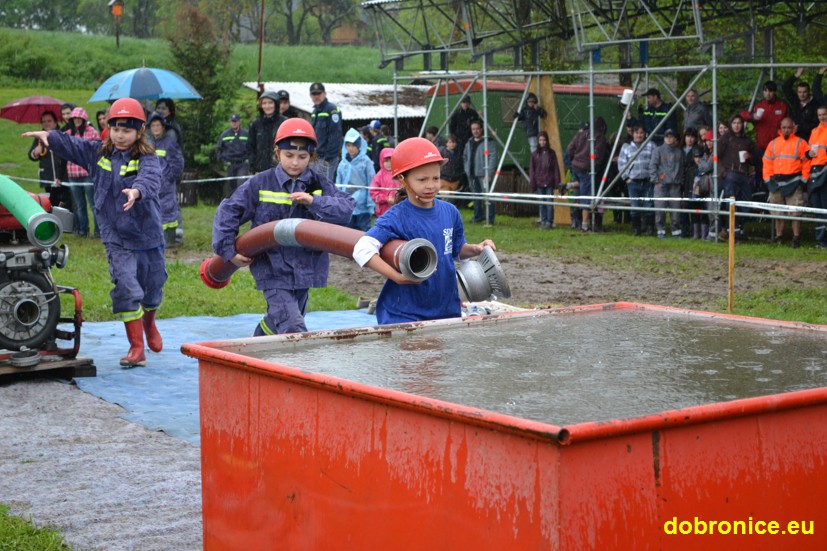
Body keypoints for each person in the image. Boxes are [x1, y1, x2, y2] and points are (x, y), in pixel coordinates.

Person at [23, 97, 167, 368]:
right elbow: (72, 144)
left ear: (139, 132)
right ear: (109, 128)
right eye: (116, 129)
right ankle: (136, 348)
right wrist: (49, 137)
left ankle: (149, 324)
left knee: (153, 287)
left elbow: (151, 178)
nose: (120, 135)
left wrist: (137, 191)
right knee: (126, 286)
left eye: (127, 130)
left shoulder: (147, 157)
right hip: (115, 234)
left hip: (146, 234)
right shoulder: (98, 152)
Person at [212, 118, 355, 336]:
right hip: (272, 268)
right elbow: (229, 211)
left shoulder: (318, 184)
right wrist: (229, 252)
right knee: (292, 326)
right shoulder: (261, 183)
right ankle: (298, 366)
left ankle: (255, 350)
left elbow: (346, 209)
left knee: (279, 319)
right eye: (289, 155)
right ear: (277, 153)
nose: (295, 163)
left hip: (306, 268)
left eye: (302, 157)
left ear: (311, 157)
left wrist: (313, 201)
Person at [352, 137, 497, 325]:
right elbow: (362, 249)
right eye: (422, 179)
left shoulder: (450, 212)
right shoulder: (396, 216)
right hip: (405, 314)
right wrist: (398, 278)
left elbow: (455, 251)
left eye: (436, 178)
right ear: (403, 180)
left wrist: (477, 249)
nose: (431, 185)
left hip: (446, 309)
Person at [763, 117, 811, 248]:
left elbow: (807, 162)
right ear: (780, 128)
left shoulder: (801, 143)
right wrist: (768, 180)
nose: (786, 130)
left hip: (794, 181)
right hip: (776, 182)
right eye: (784, 128)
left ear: (793, 128)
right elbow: (766, 163)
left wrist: (803, 180)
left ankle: (796, 238)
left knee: (795, 211)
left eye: (789, 128)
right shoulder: (773, 143)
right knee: (777, 211)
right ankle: (779, 237)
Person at [713, 113, 760, 242]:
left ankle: (736, 230)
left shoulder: (747, 141)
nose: (737, 126)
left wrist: (749, 157)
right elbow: (716, 158)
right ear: (730, 124)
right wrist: (724, 173)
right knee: (731, 205)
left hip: (744, 176)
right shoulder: (725, 139)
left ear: (742, 125)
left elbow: (757, 160)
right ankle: (730, 232)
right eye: (734, 123)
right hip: (730, 175)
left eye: (739, 123)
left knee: (745, 206)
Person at [147, 113, 184, 248]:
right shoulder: (150, 144)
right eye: (153, 126)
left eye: (158, 126)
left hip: (166, 186)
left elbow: (178, 163)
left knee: (168, 212)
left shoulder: (169, 142)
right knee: (155, 212)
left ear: (163, 127)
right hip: (153, 185)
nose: (156, 128)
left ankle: (170, 239)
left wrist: (168, 179)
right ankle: (159, 239)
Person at [566, 117, 608, 232]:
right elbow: (598, 156)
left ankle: (569, 185)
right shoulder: (600, 137)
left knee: (578, 193)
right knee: (586, 197)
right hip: (587, 169)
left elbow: (569, 148)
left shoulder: (581, 134)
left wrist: (573, 161)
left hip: (576, 166)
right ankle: (585, 225)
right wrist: (594, 168)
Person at [66, 107, 101, 238]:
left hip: (88, 173)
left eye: (79, 118)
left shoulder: (92, 132)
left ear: (84, 119)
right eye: (74, 118)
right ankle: (82, 230)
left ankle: (98, 232)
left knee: (93, 204)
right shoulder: (68, 133)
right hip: (72, 173)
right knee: (79, 205)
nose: (77, 120)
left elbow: (98, 151)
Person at [618, 124, 657, 236]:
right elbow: (621, 164)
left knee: (648, 205)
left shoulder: (651, 145)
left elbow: (655, 162)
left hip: (647, 181)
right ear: (633, 134)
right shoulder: (626, 147)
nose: (639, 135)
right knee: (635, 205)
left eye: (641, 133)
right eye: (637, 133)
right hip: (633, 182)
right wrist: (626, 178)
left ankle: (650, 228)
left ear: (644, 134)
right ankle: (636, 228)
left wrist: (653, 178)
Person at [28, 110, 70, 210]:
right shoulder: (39, 137)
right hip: (48, 177)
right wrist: (35, 152)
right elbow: (31, 155)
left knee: (66, 204)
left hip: (63, 177)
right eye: (44, 121)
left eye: (49, 121)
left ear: (55, 122)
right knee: (51, 205)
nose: (46, 123)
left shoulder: (62, 133)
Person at [336, 128, 376, 231]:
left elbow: (372, 182)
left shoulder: (365, 162)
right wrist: (338, 200)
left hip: (362, 204)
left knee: (363, 231)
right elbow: (339, 183)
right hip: (347, 204)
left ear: (359, 146)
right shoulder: (343, 163)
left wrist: (370, 202)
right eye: (348, 145)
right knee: (348, 232)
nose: (351, 149)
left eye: (353, 145)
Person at [649, 128, 684, 239]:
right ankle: (661, 231)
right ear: (664, 138)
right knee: (660, 210)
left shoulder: (679, 152)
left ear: (674, 138)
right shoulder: (657, 150)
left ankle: (676, 231)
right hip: (661, 185)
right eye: (667, 136)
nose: (669, 139)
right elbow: (652, 166)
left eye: (671, 136)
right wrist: (656, 180)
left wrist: (680, 180)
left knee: (675, 211)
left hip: (675, 185)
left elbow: (682, 168)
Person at [463, 119, 498, 225]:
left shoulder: (488, 142)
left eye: (477, 129)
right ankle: (477, 217)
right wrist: (466, 169)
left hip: (483, 175)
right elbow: (465, 157)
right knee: (475, 197)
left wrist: (489, 173)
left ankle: (490, 219)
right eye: (473, 129)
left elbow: (493, 157)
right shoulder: (469, 142)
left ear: (481, 129)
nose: (475, 131)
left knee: (488, 197)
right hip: (472, 175)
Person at [309, 82, 343, 181]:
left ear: (324, 94)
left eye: (318, 94)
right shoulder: (315, 112)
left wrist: (328, 157)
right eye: (314, 94)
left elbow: (335, 135)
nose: (316, 97)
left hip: (326, 158)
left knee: (325, 187)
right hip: (316, 157)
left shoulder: (332, 110)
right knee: (314, 186)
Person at [742, 80, 788, 153]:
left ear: (775, 92)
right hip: (761, 146)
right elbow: (742, 114)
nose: (768, 94)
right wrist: (752, 116)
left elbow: (789, 122)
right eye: (765, 91)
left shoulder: (782, 105)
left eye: (770, 91)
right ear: (763, 92)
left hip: (778, 146)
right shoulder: (758, 105)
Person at [248, 91, 287, 174]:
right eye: (264, 103)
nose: (267, 106)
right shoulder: (256, 124)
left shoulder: (284, 122)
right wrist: (252, 166)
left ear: (276, 104)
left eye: (270, 103)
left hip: (280, 169)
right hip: (260, 169)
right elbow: (250, 147)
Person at [529, 131, 561, 229]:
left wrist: (557, 181)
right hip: (539, 182)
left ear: (547, 141)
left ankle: (549, 222)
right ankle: (543, 221)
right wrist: (533, 182)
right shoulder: (535, 154)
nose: (542, 142)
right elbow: (532, 170)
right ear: (538, 141)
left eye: (544, 140)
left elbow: (556, 168)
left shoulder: (552, 153)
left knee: (549, 203)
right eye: (540, 140)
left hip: (549, 182)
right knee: (542, 203)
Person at [215, 113, 249, 196]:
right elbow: (218, 149)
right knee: (231, 185)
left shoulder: (246, 134)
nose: (234, 123)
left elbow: (251, 148)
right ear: (230, 122)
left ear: (239, 122)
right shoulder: (224, 135)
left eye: (236, 121)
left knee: (241, 184)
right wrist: (222, 161)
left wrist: (249, 160)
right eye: (232, 121)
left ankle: (241, 203)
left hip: (242, 163)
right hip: (230, 164)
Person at [681, 127, 706, 239]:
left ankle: (699, 232)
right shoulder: (680, 149)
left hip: (695, 181)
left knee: (698, 208)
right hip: (684, 181)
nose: (690, 139)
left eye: (692, 137)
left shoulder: (698, 149)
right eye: (688, 136)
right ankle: (687, 230)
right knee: (685, 207)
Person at [808, 105, 827, 249]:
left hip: (826, 170)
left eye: (824, 114)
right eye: (820, 115)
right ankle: (820, 240)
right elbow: (808, 150)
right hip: (814, 170)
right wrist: (809, 154)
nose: (822, 117)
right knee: (817, 206)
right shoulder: (814, 131)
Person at [783, 68, 820, 142]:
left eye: (804, 92)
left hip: (809, 138)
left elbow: (815, 124)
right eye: (799, 92)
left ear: (809, 92)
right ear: (797, 92)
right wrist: (796, 75)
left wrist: (799, 127)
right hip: (794, 138)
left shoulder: (815, 104)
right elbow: (785, 87)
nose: (802, 95)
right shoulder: (795, 100)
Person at [369, 147, 397, 218]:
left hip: (398, 210)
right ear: (381, 161)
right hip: (383, 211)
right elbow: (373, 193)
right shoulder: (378, 177)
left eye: (391, 160)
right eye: (386, 161)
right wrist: (386, 198)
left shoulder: (399, 175)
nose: (389, 163)